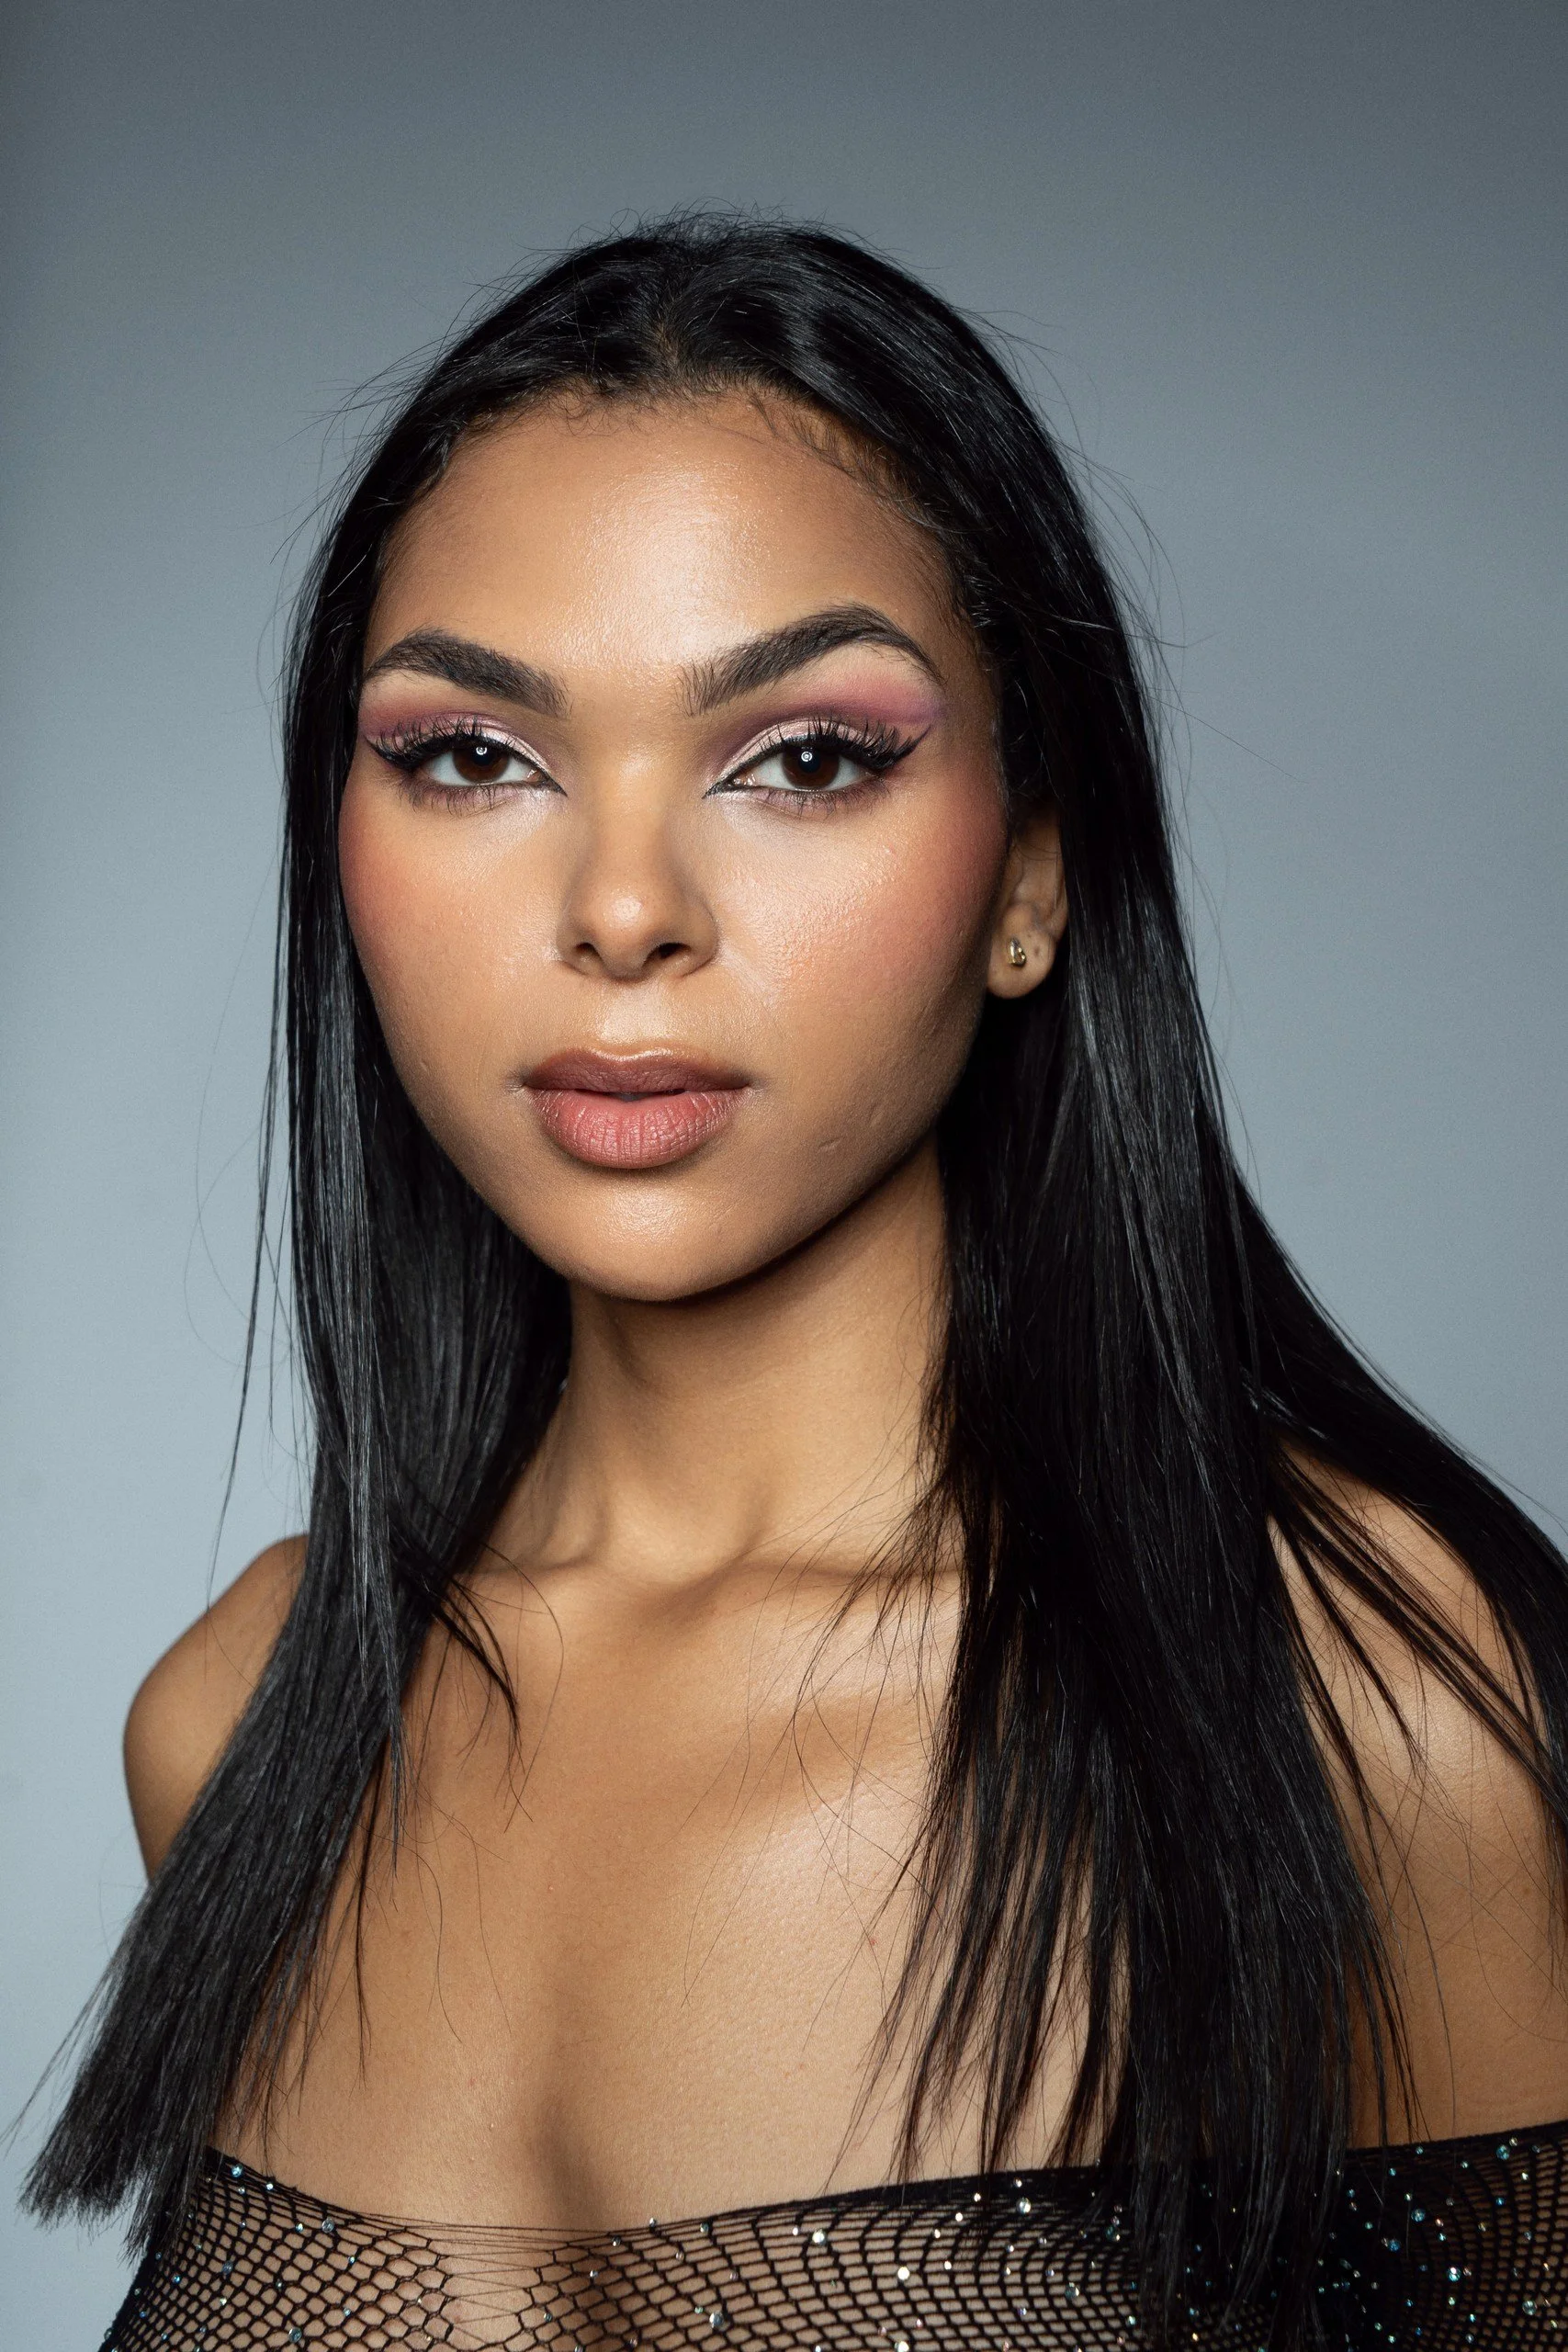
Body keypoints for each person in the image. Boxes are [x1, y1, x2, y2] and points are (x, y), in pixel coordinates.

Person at [26, 217, 1568, 2348]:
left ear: (1033, 867)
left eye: (806, 755)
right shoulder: (246, 1725)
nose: (627, 905)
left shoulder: (1359, 1711)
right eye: (473, 755)